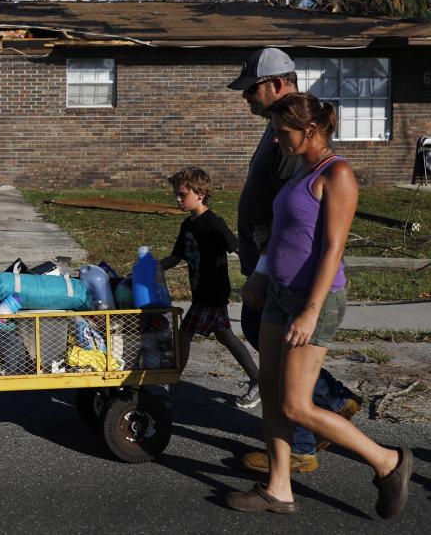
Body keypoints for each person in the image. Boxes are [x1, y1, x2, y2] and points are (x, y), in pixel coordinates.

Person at [226, 93, 412, 518]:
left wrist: (310, 310)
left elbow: (332, 249)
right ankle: (278, 490)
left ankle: (388, 462)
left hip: (316, 300)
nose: (276, 140)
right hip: (278, 293)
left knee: (296, 405)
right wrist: (260, 272)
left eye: (282, 132)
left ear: (310, 131)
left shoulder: (337, 174)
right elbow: (283, 233)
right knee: (272, 395)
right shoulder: (300, 173)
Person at [229, 48, 360, 474]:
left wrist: (266, 267)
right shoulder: (281, 130)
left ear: (278, 85)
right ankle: (297, 448)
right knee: (266, 350)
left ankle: (311, 436)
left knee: (284, 373)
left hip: (292, 277)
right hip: (276, 270)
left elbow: (306, 225)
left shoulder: (298, 143)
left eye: (252, 89)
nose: (246, 98)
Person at [160, 167, 259, 408]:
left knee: (184, 335)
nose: (178, 199)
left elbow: (237, 248)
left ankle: (171, 384)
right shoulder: (187, 226)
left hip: (212, 293)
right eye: (177, 194)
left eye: (182, 194)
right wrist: (152, 266)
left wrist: (257, 275)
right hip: (201, 292)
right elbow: (175, 257)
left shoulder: (213, 223)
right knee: (225, 337)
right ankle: (258, 381)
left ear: (200, 193)